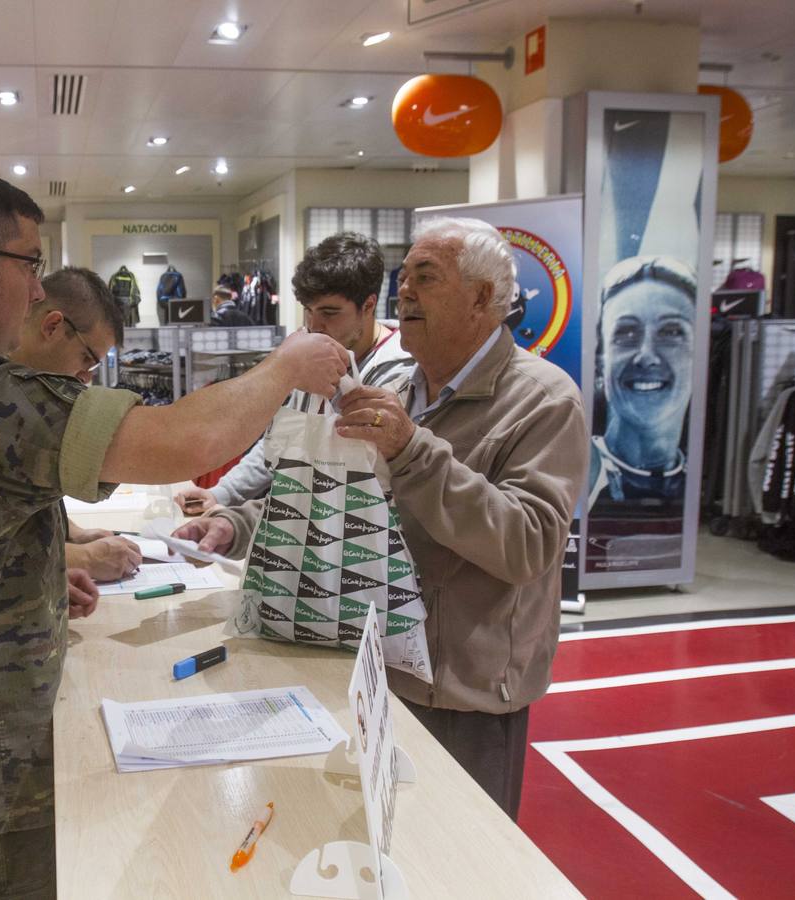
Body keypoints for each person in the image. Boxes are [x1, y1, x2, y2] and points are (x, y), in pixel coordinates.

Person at [0, 168, 348, 900]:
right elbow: (177, 440)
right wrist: (285, 367)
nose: (37, 293)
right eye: (29, 266)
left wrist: (25, 572)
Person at [175, 216, 588, 820]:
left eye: (426, 277)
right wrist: (236, 522)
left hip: (463, 695)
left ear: (482, 298)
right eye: (405, 278)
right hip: (373, 668)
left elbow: (528, 544)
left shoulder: (544, 401)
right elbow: (340, 495)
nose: (406, 294)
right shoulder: (398, 385)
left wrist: (413, 450)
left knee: (460, 866)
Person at [175, 232, 414, 514]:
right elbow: (281, 440)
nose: (315, 324)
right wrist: (221, 493)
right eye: (308, 310)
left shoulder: (402, 375)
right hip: (301, 531)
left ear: (369, 305)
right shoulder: (308, 356)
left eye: (329, 312)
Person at [10, 265, 141, 582]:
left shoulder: (28, 391)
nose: (86, 377)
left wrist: (75, 534)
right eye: (87, 359)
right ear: (53, 326)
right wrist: (84, 558)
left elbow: (21, 498)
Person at [588, 255, 696, 508]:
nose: (646, 356)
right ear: (601, 360)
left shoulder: (696, 493)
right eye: (626, 332)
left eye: (671, 332)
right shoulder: (576, 476)